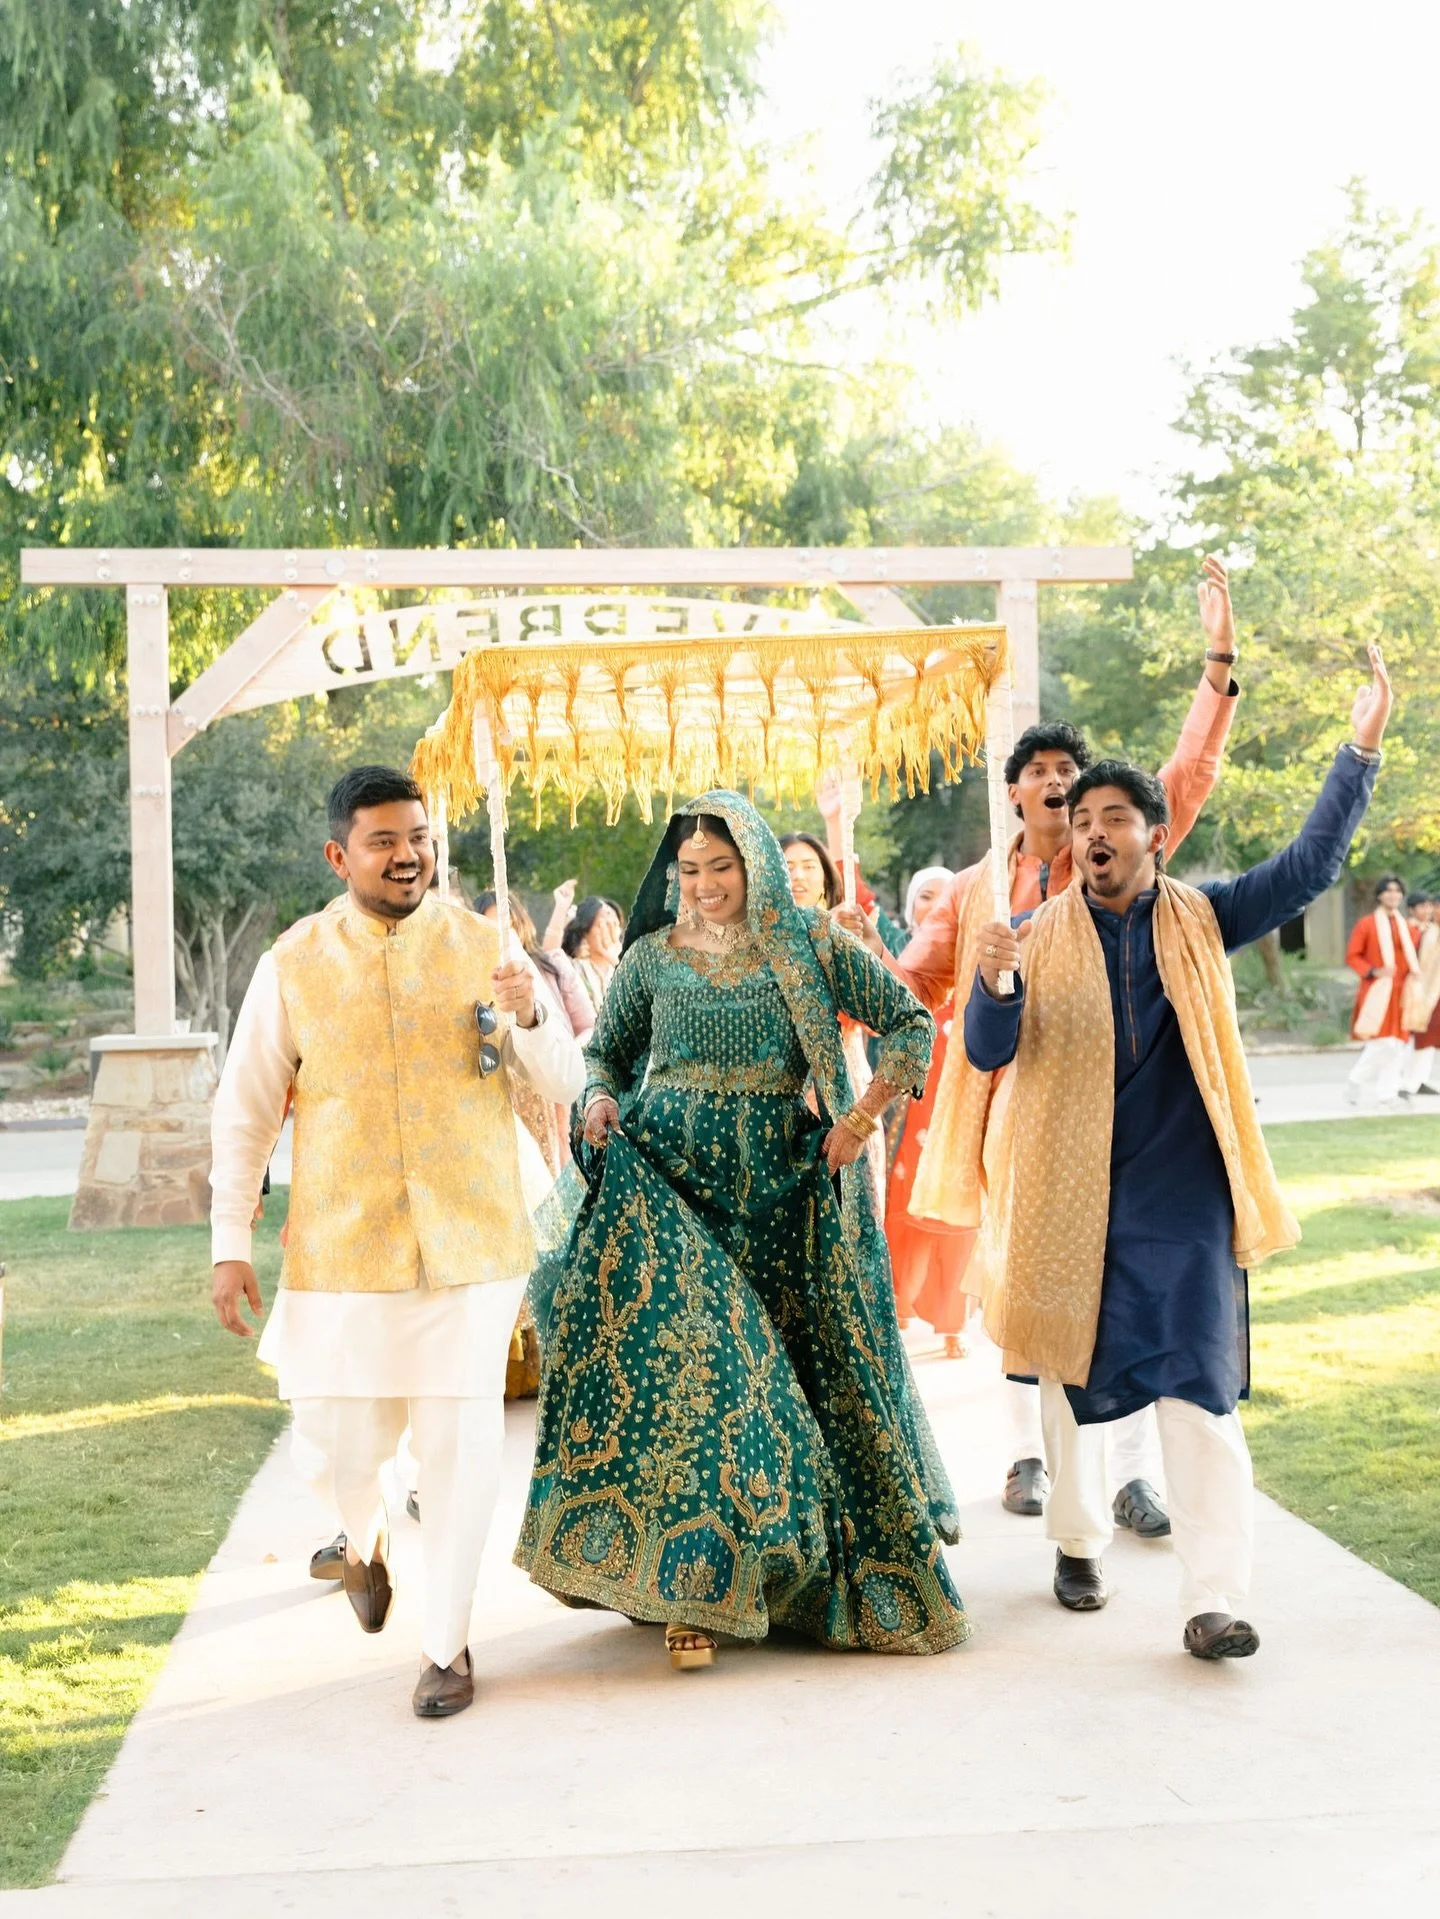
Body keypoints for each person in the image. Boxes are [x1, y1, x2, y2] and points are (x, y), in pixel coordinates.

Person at [965, 644, 1391, 1657]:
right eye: (1081, 819)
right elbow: (989, 1051)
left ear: (1154, 834)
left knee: (1200, 1394)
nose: (1092, 830)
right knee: (1068, 1392)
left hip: (1184, 1203)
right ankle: (1077, 1543)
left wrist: (1360, 748)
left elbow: (1310, 867)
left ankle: (1216, 1598)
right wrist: (993, 982)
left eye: (1114, 816)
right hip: (1070, 1202)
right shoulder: (1028, 929)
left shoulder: (1202, 915)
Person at [514, 793, 969, 1669]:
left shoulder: (808, 943)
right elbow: (608, 1052)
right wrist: (604, 1096)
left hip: (781, 1193)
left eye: (722, 866)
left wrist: (863, 1113)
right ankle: (696, 1587)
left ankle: (774, 1574)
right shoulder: (648, 958)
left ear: (754, 862)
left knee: (786, 1385)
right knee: (708, 1379)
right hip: (671, 1185)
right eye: (690, 870)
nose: (706, 884)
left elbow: (910, 1020)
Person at [210, 766, 585, 1719]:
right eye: (383, 839)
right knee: (337, 1440)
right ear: (340, 855)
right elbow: (246, 1109)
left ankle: (448, 1643)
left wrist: (530, 1010)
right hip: (344, 1245)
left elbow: (562, 1079)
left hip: (472, 1239)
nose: (407, 853)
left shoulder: (487, 947)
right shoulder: (292, 963)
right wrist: (229, 1237)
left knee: (460, 1443)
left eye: (417, 836)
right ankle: (362, 1536)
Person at [899, 556, 1245, 1530]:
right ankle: (1026, 1460)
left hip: (1129, 1116)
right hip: (1018, 1119)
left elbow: (1190, 774)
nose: (1056, 787)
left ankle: (1135, 1475)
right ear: (1014, 796)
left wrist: (1217, 663)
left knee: (1126, 1280)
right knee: (1020, 1281)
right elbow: (912, 980)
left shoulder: (1122, 857)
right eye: (1040, 776)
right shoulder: (976, 891)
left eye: (1069, 774)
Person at [881, 866, 978, 1358]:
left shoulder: (976, 964)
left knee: (958, 1212)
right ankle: (901, 1301)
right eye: (924, 897)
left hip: (960, 1103)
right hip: (910, 1108)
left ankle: (952, 1322)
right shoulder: (903, 966)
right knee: (907, 1203)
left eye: (944, 898)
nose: (934, 906)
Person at [778, 829, 888, 1198]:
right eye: (787, 866)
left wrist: (855, 954)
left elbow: (878, 1017)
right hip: (782, 1083)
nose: (798, 875)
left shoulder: (849, 934)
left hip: (846, 1079)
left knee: (853, 1200)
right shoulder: (759, 940)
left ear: (826, 878)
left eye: (809, 866)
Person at [1345, 875, 1418, 1106]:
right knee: (1381, 1042)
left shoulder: (1406, 926)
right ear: (1379, 895)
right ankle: (1355, 1081)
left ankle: (1387, 1093)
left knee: (1397, 1044)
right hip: (1377, 990)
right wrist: (1373, 971)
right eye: (1388, 890)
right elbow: (1353, 956)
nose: (1393, 894)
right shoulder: (1367, 924)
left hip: (1402, 990)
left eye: (1397, 891)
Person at [559, 894, 625, 1013]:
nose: (610, 930)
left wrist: (614, 959)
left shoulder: (629, 966)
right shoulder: (574, 970)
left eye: (615, 924)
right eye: (602, 925)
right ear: (585, 932)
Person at [1401, 893, 1440, 1096]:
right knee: (1418, 1037)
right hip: (1417, 989)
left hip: (1434, 990)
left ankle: (1419, 1080)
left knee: (1430, 1038)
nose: (1429, 910)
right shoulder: (1412, 929)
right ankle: (1407, 1083)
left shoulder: (1431, 930)